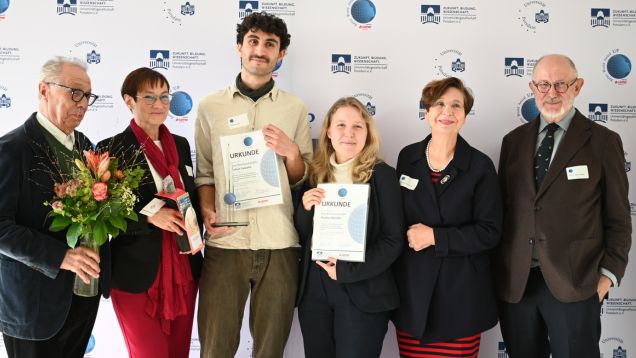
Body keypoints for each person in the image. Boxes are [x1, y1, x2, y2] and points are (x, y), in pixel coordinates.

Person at [496, 54, 632, 358]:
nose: (552, 93)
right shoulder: (513, 142)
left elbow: (619, 219)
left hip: (576, 284)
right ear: (532, 87)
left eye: (561, 84)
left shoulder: (603, 141)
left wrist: (607, 277)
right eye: (543, 85)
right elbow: (505, 213)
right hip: (518, 286)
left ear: (578, 86)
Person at [194, 12, 312, 358]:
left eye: (270, 44)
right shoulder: (209, 106)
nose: (261, 50)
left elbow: (300, 176)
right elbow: (205, 173)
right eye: (254, 41)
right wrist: (205, 207)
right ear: (240, 47)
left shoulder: (294, 107)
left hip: (279, 241)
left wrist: (291, 152)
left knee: (270, 350)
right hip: (226, 241)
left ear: (281, 55)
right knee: (215, 348)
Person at [0, 56, 107, 358]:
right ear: (44, 90)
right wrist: (61, 256)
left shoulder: (87, 146)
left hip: (83, 296)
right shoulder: (11, 149)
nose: (83, 103)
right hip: (33, 304)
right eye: (74, 92)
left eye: (87, 96)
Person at [392, 77, 502, 357]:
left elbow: (490, 231)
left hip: (461, 296)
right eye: (439, 104)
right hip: (413, 294)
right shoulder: (407, 157)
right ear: (427, 112)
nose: (447, 112)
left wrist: (435, 237)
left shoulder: (479, 166)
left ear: (465, 115)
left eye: (456, 105)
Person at [97, 67, 202, 358]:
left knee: (178, 353)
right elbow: (104, 214)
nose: (159, 105)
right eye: (149, 97)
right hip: (135, 274)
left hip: (183, 270)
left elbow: (188, 199)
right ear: (128, 100)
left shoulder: (180, 145)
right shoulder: (112, 149)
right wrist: (149, 216)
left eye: (165, 97)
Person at [294, 97, 404, 358]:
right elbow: (302, 234)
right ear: (329, 132)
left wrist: (347, 270)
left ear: (368, 133)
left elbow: (393, 240)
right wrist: (305, 209)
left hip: (363, 289)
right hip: (316, 290)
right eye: (341, 125)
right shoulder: (315, 174)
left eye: (358, 126)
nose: (349, 133)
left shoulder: (383, 176)